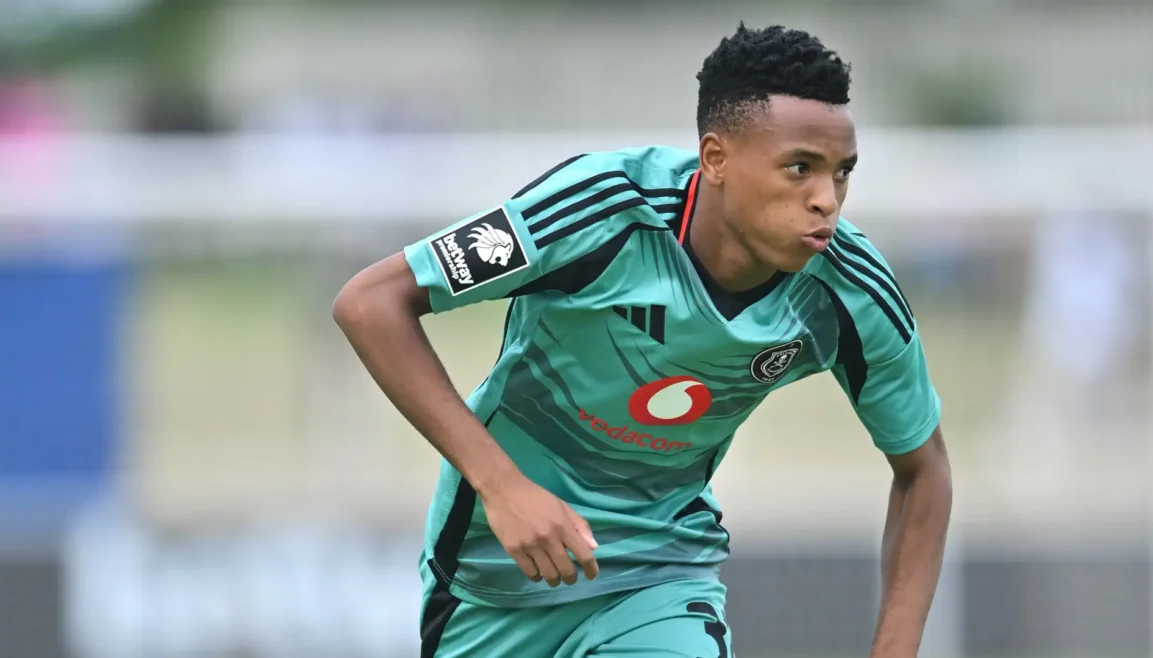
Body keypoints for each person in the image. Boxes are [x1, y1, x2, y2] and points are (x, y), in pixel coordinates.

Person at [333, 23, 952, 658]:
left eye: (842, 173)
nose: (827, 200)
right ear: (716, 159)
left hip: (662, 575)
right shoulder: (601, 211)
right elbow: (371, 303)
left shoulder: (847, 289)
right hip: (495, 572)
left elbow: (923, 468)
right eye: (800, 168)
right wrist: (504, 486)